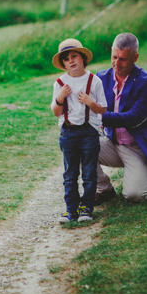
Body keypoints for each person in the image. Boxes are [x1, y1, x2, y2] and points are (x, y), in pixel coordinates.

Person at [95, 32, 147, 204]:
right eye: (114, 57)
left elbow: (134, 117)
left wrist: (100, 116)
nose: (116, 63)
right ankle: (103, 188)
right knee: (75, 143)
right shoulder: (101, 78)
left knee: (134, 196)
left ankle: (140, 171)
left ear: (135, 57)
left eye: (123, 59)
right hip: (112, 143)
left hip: (138, 148)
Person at [51, 39, 107, 223]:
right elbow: (56, 112)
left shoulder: (94, 81)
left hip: (89, 132)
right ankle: (71, 209)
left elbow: (103, 110)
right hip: (68, 133)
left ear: (83, 58)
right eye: (66, 59)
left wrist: (91, 103)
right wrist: (60, 98)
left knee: (89, 173)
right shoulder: (60, 83)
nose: (71, 61)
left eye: (74, 56)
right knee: (70, 173)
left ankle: (86, 208)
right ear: (63, 64)